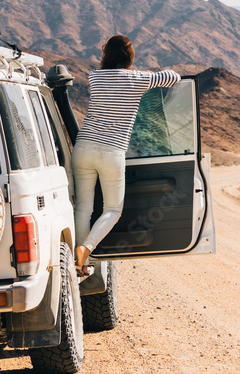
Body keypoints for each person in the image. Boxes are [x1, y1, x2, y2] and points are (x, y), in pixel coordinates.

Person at [73, 35, 180, 274]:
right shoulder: (139, 79)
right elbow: (174, 77)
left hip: (83, 147)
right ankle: (86, 248)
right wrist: (147, 74)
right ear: (129, 56)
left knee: (83, 209)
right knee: (112, 210)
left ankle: (80, 264)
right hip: (111, 151)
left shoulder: (95, 77)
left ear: (106, 55)